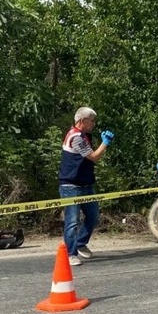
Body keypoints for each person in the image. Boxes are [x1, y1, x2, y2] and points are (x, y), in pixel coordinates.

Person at [58, 107, 114, 266]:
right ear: (82, 120)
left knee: (93, 217)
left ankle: (80, 242)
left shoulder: (84, 135)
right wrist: (105, 143)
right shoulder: (76, 137)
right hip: (71, 186)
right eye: (92, 121)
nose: (94, 124)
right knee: (72, 221)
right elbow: (94, 157)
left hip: (86, 184)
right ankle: (71, 253)